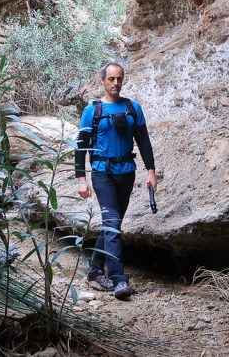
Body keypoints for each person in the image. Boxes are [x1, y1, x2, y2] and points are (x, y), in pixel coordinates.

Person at [75, 61, 157, 300]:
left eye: (119, 78)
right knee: (111, 222)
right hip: (103, 174)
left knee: (114, 224)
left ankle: (94, 270)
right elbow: (81, 147)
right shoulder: (93, 110)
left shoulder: (133, 108)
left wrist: (151, 171)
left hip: (126, 172)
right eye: (111, 79)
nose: (115, 83)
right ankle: (118, 279)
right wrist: (81, 178)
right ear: (103, 81)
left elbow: (143, 141)